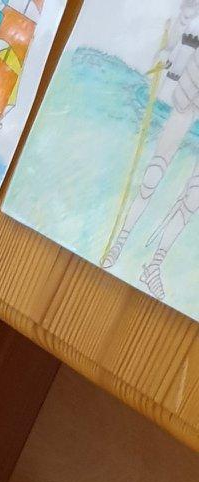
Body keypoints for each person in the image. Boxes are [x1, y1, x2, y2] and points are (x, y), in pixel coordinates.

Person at [103, 0, 199, 300]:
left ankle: (154, 265)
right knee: (154, 173)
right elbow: (186, 15)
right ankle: (119, 242)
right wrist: (169, 51)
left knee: (194, 196)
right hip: (190, 89)